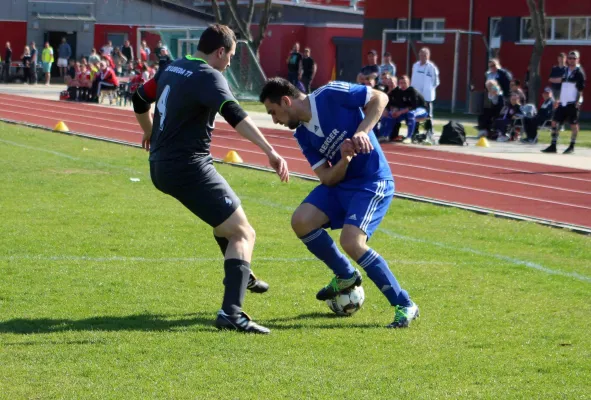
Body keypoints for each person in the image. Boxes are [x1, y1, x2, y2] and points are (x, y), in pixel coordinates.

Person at [132, 24, 289, 334]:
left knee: (229, 223)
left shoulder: (174, 66)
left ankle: (244, 273)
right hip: (188, 166)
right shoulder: (209, 75)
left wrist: (149, 131)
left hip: (160, 166)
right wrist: (270, 151)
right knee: (243, 234)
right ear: (220, 52)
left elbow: (138, 98)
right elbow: (235, 115)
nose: (229, 63)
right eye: (230, 56)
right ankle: (232, 312)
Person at [259, 77, 419, 328]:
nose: (275, 120)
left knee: (351, 241)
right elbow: (326, 177)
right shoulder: (303, 134)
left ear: (286, 101)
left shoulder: (330, 94)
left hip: (372, 181)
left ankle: (404, 304)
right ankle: (345, 275)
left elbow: (381, 97)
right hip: (343, 184)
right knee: (301, 221)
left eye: (273, 112)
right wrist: (344, 160)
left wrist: (362, 132)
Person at [542, 50, 586, 154]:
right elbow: (563, 86)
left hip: (572, 102)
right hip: (563, 102)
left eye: (573, 58)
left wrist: (578, 102)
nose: (571, 60)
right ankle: (553, 145)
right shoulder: (566, 70)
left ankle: (571, 146)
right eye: (570, 58)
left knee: (573, 124)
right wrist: (558, 99)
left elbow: (580, 90)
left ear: (577, 59)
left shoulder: (579, 72)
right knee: (554, 122)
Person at [388, 75, 429, 143]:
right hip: (408, 110)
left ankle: (409, 137)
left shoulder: (412, 91)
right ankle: (389, 135)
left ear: (409, 83)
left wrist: (400, 112)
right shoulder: (400, 92)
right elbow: (399, 105)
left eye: (404, 83)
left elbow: (414, 107)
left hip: (421, 110)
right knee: (392, 114)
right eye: (401, 83)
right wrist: (395, 110)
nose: (403, 85)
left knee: (411, 113)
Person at [411, 47, 439, 117]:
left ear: (428, 56)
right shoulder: (415, 65)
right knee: (415, 113)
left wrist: (429, 89)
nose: (422, 57)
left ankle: (430, 127)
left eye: (424, 55)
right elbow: (413, 78)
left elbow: (436, 82)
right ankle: (415, 127)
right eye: (421, 55)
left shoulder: (432, 67)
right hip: (416, 94)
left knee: (428, 115)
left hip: (427, 95)